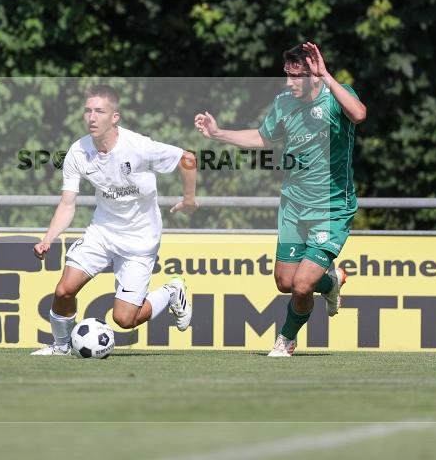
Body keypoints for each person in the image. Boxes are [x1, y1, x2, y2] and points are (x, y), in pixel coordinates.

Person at [194, 42, 366, 357]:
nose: (289, 82)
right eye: (287, 75)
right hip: (293, 206)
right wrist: (218, 134)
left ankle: (285, 340)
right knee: (285, 282)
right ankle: (330, 281)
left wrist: (327, 76)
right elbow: (263, 137)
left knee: (302, 286)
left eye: (297, 76)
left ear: (314, 75)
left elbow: (359, 114)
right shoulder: (284, 102)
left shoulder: (336, 96)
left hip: (331, 208)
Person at [32, 84, 198, 355]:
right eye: (88, 111)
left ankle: (170, 292)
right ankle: (61, 346)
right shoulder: (78, 152)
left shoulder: (139, 147)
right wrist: (48, 239)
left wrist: (189, 199)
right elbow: (67, 204)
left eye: (99, 111)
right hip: (103, 232)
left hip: (140, 240)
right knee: (64, 290)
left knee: (124, 320)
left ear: (115, 117)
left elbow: (187, 158)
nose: (92, 117)